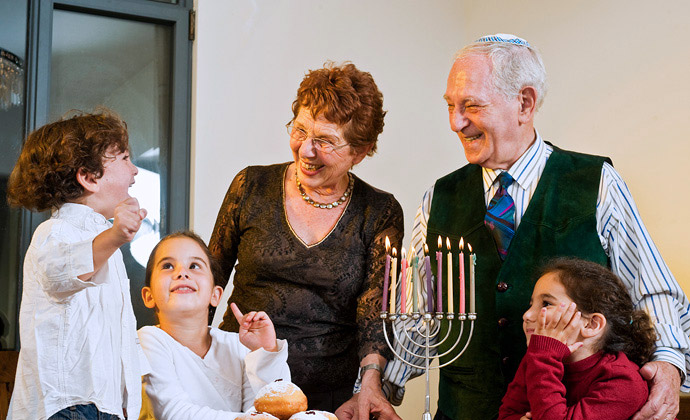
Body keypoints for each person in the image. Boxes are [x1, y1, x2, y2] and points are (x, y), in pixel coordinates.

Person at [382, 34, 690, 420]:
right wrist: (378, 384)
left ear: (524, 104)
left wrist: (669, 363)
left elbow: (653, 289)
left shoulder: (596, 182)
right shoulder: (437, 198)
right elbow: (420, 317)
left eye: (471, 106)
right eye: (450, 106)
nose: (455, 122)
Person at [209, 62, 404, 420]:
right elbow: (211, 278)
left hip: (330, 396)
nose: (306, 150)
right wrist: (184, 359)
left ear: (359, 152)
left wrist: (370, 384)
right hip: (238, 382)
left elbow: (375, 309)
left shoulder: (380, 211)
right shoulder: (250, 186)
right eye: (300, 130)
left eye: (325, 141)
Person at [6, 110, 147, 420]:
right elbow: (61, 273)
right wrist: (114, 236)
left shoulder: (106, 243)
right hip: (67, 405)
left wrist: (127, 400)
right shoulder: (55, 231)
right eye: (124, 158)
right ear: (89, 177)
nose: (135, 170)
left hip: (104, 406)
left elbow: (119, 328)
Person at [137, 231, 291, 420]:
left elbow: (272, 407)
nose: (182, 273)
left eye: (194, 266)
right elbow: (171, 412)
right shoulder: (147, 341)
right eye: (168, 266)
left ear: (215, 294)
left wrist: (265, 352)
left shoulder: (237, 346)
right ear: (148, 296)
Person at [498, 258, 656, 420]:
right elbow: (507, 414)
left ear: (591, 325)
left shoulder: (624, 382)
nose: (527, 315)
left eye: (546, 304)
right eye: (531, 304)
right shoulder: (539, 358)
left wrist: (544, 358)